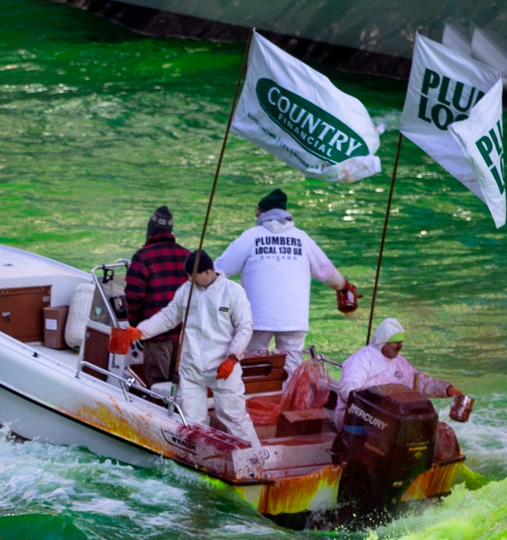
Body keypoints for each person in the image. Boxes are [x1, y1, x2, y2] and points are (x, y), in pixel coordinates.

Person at [108, 251, 259, 449]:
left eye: (192, 275)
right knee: (192, 420)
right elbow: (169, 316)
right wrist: (140, 331)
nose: (188, 279)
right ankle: (199, 456)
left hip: (223, 366)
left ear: (207, 272)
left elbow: (245, 327)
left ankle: (256, 456)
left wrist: (232, 357)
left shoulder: (233, 291)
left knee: (234, 417)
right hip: (192, 367)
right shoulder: (187, 290)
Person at [215, 189, 349, 374]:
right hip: (294, 318)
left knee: (254, 365)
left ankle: (255, 399)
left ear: (263, 213)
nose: (255, 214)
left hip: (257, 317)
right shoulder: (302, 238)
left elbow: (220, 269)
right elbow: (327, 272)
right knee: (291, 368)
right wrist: (344, 287)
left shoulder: (251, 236)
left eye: (257, 210)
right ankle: (288, 400)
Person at [116, 205, 190, 384]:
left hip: (156, 336)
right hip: (184, 336)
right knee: (179, 385)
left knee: (158, 386)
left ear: (151, 230)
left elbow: (134, 296)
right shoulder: (187, 256)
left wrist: (138, 327)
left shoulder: (143, 257)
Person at [336, 318, 460, 406]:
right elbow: (347, 390)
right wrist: (373, 402)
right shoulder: (361, 360)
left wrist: (448, 390)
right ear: (383, 342)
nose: (400, 347)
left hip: (389, 416)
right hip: (354, 415)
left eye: (401, 342)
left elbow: (421, 384)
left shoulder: (401, 363)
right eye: (396, 342)